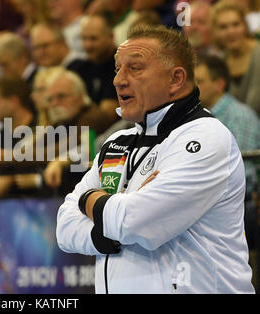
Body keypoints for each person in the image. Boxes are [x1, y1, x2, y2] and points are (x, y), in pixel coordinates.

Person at [56, 24, 254, 293]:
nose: (118, 80)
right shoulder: (116, 143)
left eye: (134, 68)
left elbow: (136, 222)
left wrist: (86, 198)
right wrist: (114, 223)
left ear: (176, 79)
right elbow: (65, 228)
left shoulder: (207, 138)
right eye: (117, 69)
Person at [194, 54, 259, 196]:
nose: (192, 87)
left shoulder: (240, 116)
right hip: (208, 195)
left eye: (199, 81)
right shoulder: (194, 115)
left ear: (219, 85)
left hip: (238, 200)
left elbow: (242, 171)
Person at [69, 14, 119, 125]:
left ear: (111, 37)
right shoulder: (79, 68)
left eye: (93, 38)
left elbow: (104, 117)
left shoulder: (121, 67)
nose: (87, 45)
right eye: (84, 38)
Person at [211, 0, 260, 115]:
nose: (231, 32)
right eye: (223, 27)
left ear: (245, 25)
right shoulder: (220, 60)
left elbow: (254, 106)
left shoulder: (258, 53)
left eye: (236, 24)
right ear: (215, 32)